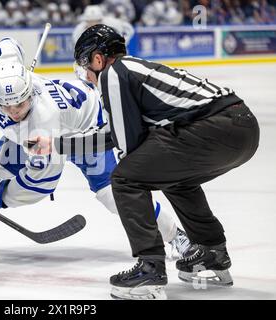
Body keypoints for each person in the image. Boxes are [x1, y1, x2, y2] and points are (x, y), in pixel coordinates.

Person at [31, 24, 260, 300]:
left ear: (98, 59)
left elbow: (128, 147)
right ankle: (211, 252)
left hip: (212, 128)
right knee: (175, 178)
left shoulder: (113, 74)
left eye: (85, 65)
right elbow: (113, 135)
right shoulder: (133, 70)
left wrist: (131, 173)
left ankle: (150, 268)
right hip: (241, 128)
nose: (86, 75)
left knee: (126, 178)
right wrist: (56, 144)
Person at [0, 38, 192, 260]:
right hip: (40, 133)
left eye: (19, 105)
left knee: (112, 195)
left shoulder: (41, 122)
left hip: (86, 132)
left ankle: (175, 236)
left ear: (30, 93)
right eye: (7, 106)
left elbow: (41, 185)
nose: (14, 112)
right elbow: (8, 44)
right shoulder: (1, 79)